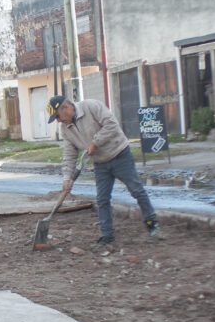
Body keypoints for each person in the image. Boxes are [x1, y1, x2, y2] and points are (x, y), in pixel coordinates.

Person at [46, 94, 160, 248]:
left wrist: (95, 142)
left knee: (136, 189)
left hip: (120, 154)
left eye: (57, 116)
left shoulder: (91, 106)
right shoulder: (65, 129)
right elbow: (69, 154)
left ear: (66, 107)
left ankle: (151, 222)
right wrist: (67, 177)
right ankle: (107, 236)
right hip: (100, 163)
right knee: (102, 199)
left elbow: (112, 125)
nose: (58, 121)